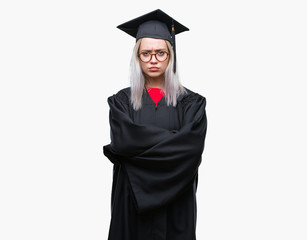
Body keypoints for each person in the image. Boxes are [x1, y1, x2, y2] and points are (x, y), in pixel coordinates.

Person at [103, 9, 208, 240]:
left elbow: (191, 150)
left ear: (171, 56)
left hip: (176, 205)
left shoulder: (191, 103)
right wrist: (174, 138)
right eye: (146, 53)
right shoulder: (121, 102)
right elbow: (123, 142)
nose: (153, 59)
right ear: (137, 57)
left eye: (160, 53)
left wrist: (137, 154)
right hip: (131, 203)